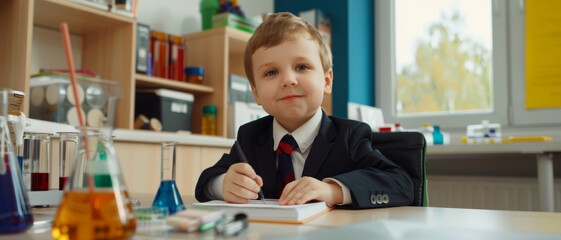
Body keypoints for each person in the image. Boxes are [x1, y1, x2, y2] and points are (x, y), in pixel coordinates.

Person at [195, 12, 413, 209]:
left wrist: (333, 190)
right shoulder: (250, 137)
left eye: (301, 67)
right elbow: (205, 181)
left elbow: (401, 184)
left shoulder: (349, 136)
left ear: (327, 81)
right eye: (271, 72)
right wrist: (222, 184)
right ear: (256, 93)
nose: (288, 80)